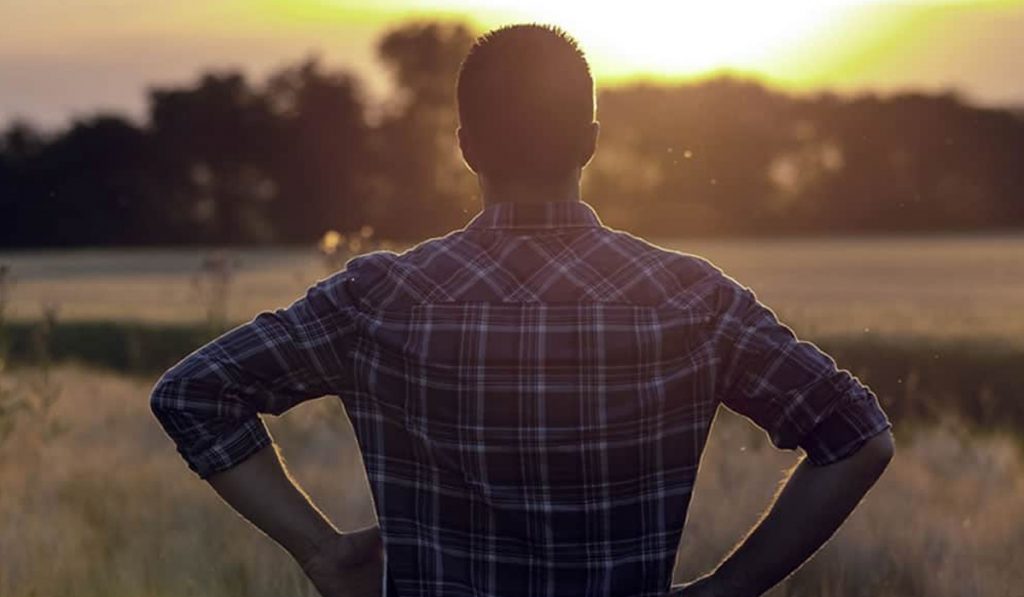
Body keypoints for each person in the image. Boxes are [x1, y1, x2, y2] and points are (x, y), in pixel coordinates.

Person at [150, 23, 894, 597]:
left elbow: (193, 393)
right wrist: (728, 589)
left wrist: (324, 550)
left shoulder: (377, 301)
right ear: (591, 144)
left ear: (467, 147)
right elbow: (859, 437)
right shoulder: (693, 301)